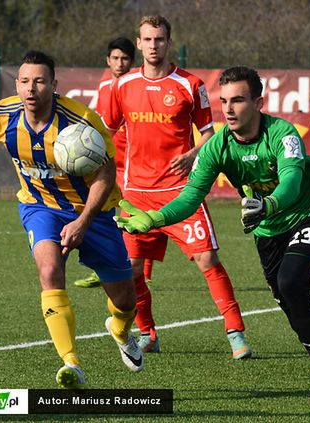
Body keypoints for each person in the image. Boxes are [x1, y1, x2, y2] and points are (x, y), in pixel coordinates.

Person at [116, 66, 310, 408]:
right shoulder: (217, 147)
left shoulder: (283, 134)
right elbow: (191, 195)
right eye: (223, 100)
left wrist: (269, 204)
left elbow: (291, 183)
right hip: (268, 231)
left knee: (291, 282)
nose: (228, 108)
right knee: (286, 297)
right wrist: (154, 217)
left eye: (238, 100)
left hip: (308, 215)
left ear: (258, 102)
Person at [0, 50, 144, 390]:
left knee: (125, 298)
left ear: (54, 85)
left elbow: (106, 173)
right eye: (25, 81)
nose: (31, 89)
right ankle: (71, 363)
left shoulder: (81, 121)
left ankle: (120, 329)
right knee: (49, 271)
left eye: (40, 81)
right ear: (17, 84)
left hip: (94, 212)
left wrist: (84, 221)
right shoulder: (3, 115)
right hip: (39, 206)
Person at [101, 14, 251, 358]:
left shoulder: (190, 84)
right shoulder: (121, 87)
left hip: (181, 192)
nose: (154, 45)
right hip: (136, 195)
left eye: (160, 39)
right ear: (138, 43)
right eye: (147, 40)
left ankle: (236, 333)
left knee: (207, 258)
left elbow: (212, 135)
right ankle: (148, 333)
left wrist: (192, 153)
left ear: (169, 43)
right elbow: (107, 134)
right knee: (132, 270)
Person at [74, 37, 158, 289]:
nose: (119, 63)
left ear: (132, 61)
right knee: (105, 212)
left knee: (133, 213)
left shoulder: (134, 87)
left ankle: (137, 268)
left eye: (124, 59)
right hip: (108, 161)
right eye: (115, 58)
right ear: (107, 60)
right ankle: (106, 266)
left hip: (133, 163)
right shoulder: (103, 87)